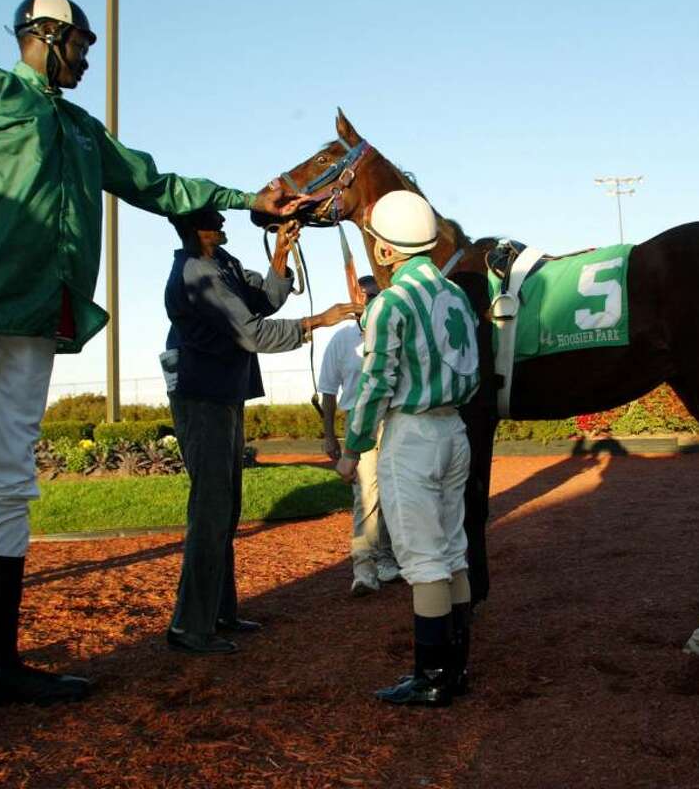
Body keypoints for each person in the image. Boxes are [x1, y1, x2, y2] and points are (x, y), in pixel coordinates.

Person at [0, 0, 306, 772]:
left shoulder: (80, 127)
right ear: (46, 36)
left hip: (37, 323)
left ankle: (1, 667)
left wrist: (247, 198)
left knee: (10, 482)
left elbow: (158, 185)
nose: (90, 56)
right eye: (82, 43)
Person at [164, 211, 361, 654]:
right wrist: (317, 322)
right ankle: (189, 627)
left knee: (225, 505)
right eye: (214, 214)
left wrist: (282, 253)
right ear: (200, 228)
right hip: (202, 396)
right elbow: (253, 333)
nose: (223, 217)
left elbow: (266, 300)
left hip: (222, 393)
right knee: (212, 507)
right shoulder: (199, 273)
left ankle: (219, 612)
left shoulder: (223, 264)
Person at [334, 190, 481, 706]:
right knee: (454, 550)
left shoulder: (390, 302)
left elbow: (376, 384)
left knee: (423, 562)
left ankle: (433, 677)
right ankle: (457, 668)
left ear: (387, 250)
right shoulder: (457, 295)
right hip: (454, 429)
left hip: (412, 435)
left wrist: (352, 448)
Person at [317, 276, 402, 596]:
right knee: (366, 495)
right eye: (364, 296)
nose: (369, 301)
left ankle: (387, 557)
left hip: (394, 420)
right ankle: (363, 568)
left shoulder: (394, 332)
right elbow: (327, 391)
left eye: (375, 296)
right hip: (358, 423)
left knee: (394, 491)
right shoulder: (341, 341)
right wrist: (328, 436)